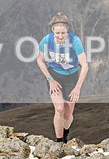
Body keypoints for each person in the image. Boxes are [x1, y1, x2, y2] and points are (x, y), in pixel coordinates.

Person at [36, 12, 88, 142]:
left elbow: (85, 66)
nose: (60, 36)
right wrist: (50, 80)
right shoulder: (46, 40)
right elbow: (40, 60)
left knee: (68, 114)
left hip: (72, 77)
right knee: (59, 109)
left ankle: (65, 133)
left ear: (67, 31)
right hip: (55, 76)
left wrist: (77, 88)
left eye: (63, 33)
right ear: (52, 30)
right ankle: (59, 142)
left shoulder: (74, 41)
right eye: (57, 33)